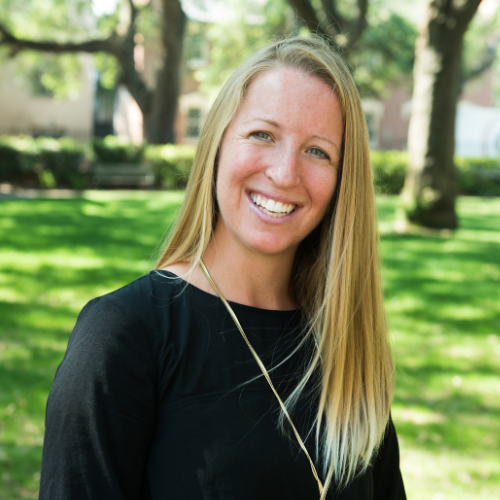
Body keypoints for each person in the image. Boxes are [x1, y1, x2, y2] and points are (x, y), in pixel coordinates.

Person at [39, 36, 406, 500]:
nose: (285, 173)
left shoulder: (347, 345)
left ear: (341, 181)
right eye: (262, 135)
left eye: (318, 151)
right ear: (216, 145)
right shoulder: (122, 336)